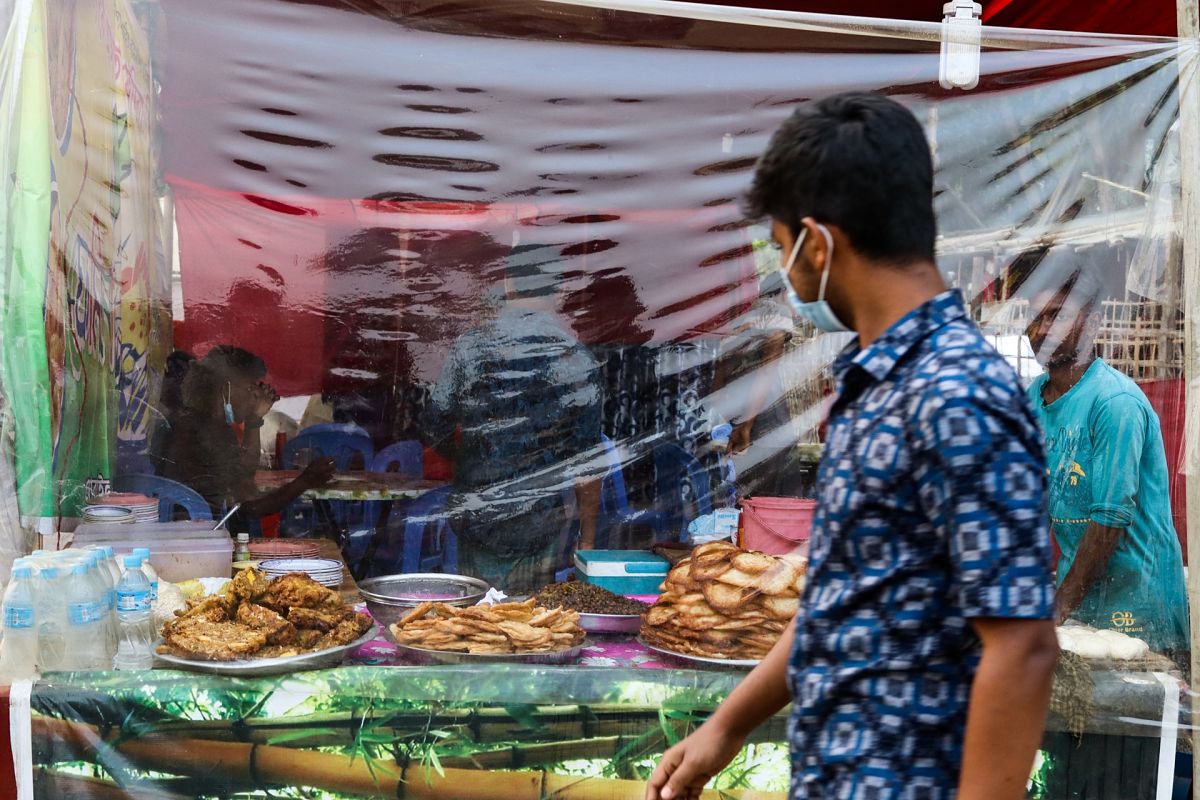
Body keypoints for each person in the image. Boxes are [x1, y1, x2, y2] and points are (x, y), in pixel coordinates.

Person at [645, 92, 1058, 800]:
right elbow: (839, 597)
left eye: (780, 250)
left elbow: (1021, 646)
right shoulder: (875, 384)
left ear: (818, 243)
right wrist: (728, 727)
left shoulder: (956, 391)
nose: (786, 273)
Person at [1025, 270, 1189, 660]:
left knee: (1139, 709)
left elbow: (1111, 517)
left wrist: (1057, 610)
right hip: (1078, 599)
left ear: (1093, 324)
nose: (1042, 330)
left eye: (1057, 316)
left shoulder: (1114, 402)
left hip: (1139, 603)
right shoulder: (1032, 398)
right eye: (1035, 318)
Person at [422, 243, 602, 594]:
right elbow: (588, 463)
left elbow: (432, 427)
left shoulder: (470, 349)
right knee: (529, 629)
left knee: (474, 628)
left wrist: (472, 461)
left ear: (507, 285)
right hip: (541, 522)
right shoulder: (575, 359)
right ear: (561, 290)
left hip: (478, 515)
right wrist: (589, 538)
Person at [159, 345, 335, 532]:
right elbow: (251, 507)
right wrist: (306, 480)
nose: (257, 395)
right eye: (251, 387)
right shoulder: (207, 432)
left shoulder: (195, 421)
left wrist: (254, 420)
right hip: (201, 536)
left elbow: (244, 474)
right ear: (226, 388)